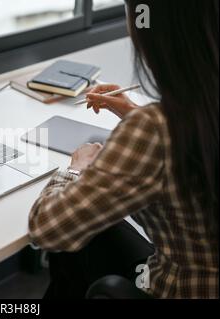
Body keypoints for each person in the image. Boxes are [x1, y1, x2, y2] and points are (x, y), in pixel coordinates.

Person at [28, 0, 218, 299]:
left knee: (75, 239)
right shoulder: (193, 113)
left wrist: (77, 169)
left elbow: (46, 229)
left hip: (175, 286)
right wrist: (133, 113)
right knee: (97, 229)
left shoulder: (156, 128)